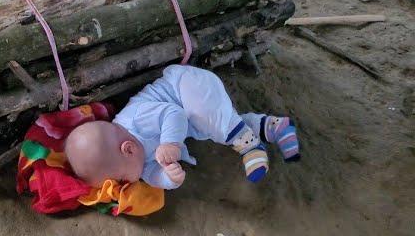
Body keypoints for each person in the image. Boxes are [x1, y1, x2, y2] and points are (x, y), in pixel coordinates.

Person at [64, 65, 300, 189]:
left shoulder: (134, 120)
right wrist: (170, 179)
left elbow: (172, 112)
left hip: (185, 87)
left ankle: (250, 147)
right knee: (214, 127)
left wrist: (170, 143)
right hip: (192, 119)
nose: (124, 185)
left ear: (128, 150)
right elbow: (152, 175)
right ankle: (273, 127)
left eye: (121, 180)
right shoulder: (135, 161)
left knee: (212, 120)